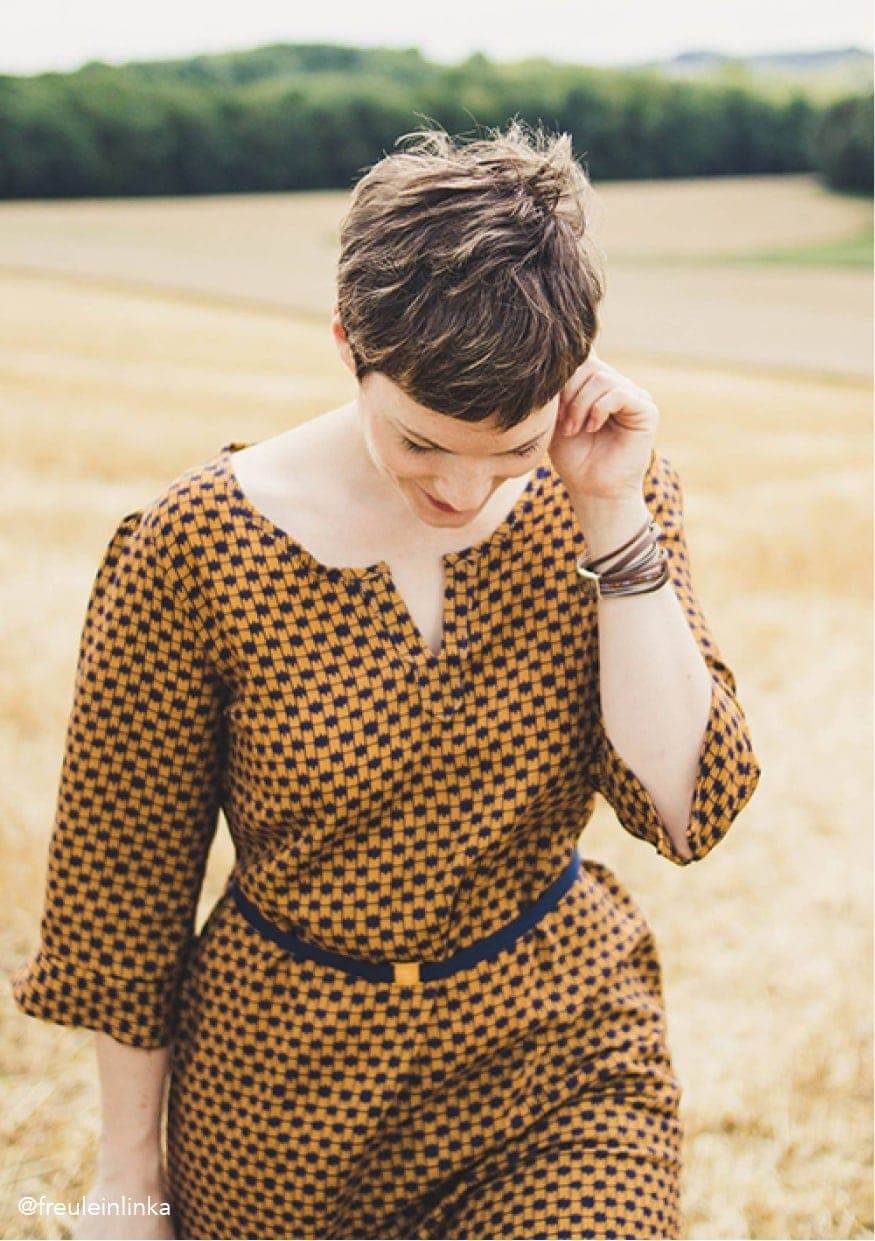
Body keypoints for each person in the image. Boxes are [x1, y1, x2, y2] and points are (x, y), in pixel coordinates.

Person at [10, 119, 762, 1241]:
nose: (461, 491)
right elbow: (124, 888)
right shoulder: (192, 547)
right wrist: (128, 1175)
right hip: (279, 1096)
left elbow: (685, 803)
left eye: (511, 450)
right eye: (420, 443)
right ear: (345, 340)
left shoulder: (608, 497)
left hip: (554, 1054)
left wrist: (608, 512)